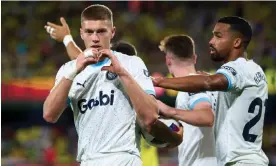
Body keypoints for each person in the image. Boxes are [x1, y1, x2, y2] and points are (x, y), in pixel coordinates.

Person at [43, 4, 182, 166]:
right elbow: (49, 114)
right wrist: (73, 69)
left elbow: (150, 116)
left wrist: (122, 74)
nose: (95, 38)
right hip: (88, 160)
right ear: (82, 33)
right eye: (89, 32)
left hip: (124, 158)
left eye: (101, 31)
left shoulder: (131, 63)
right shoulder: (69, 70)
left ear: (112, 32)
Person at [153, 16, 269, 166]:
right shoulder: (253, 70)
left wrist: (159, 82)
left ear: (236, 42)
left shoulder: (237, 67)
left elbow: (209, 84)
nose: (211, 41)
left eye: (218, 36)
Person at [156, 34, 217, 166]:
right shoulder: (211, 84)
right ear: (194, 58)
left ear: (168, 61)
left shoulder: (191, 86)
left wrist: (169, 110)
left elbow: (207, 117)